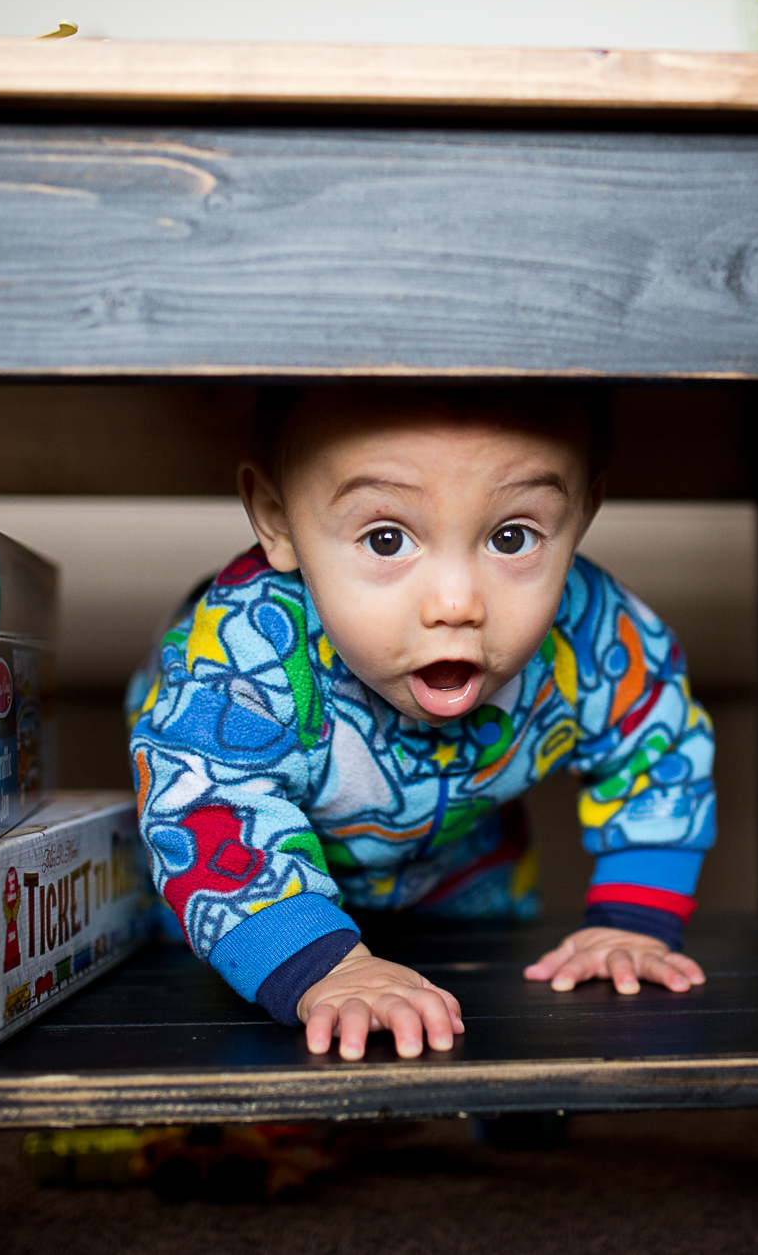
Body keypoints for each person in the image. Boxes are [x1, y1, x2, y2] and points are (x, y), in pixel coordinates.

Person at [127, 386, 714, 1061]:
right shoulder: (245, 652)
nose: (456, 603)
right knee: (216, 987)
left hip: (457, 859)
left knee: (488, 1002)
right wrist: (327, 968)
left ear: (582, 516)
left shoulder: (591, 634)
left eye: (512, 537)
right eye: (386, 539)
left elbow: (658, 742)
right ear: (276, 519)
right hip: (247, 862)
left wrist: (634, 921)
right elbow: (206, 806)